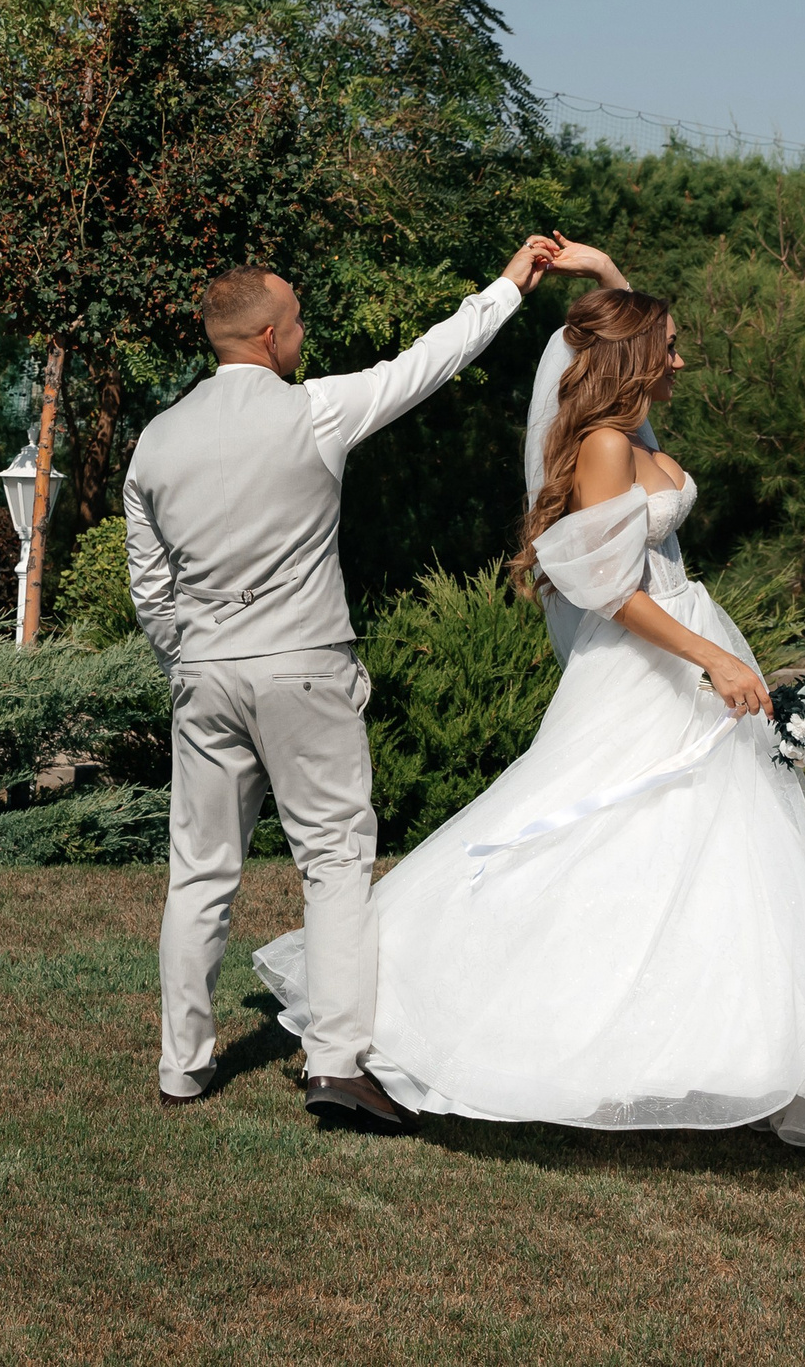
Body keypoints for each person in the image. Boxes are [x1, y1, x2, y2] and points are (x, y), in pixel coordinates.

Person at [253, 238, 805, 1155]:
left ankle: (752, 1045)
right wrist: (712, 659)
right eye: (671, 347)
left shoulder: (637, 432)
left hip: (690, 648)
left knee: (722, 846)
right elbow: (610, 589)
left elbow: (626, 339)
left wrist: (607, 266)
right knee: (592, 830)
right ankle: (447, 1004)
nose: (683, 359)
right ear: (637, 363)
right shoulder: (606, 448)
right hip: (647, 664)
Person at [125, 240, 560, 1127]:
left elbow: (150, 589)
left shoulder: (155, 440)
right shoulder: (317, 410)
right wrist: (509, 288)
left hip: (204, 673)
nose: (305, 336)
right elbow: (429, 361)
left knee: (200, 871)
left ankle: (181, 1065)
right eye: (298, 322)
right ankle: (334, 1064)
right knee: (333, 861)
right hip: (304, 667)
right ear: (272, 333)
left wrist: (195, 657)